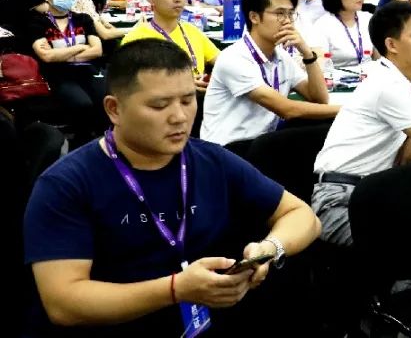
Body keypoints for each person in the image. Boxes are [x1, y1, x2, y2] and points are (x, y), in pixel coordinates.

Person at [23, 39, 321, 337]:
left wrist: (269, 249)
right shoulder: (67, 183)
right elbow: (63, 303)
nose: (179, 117)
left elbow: (302, 215)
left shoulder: (211, 160)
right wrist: (176, 289)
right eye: (159, 105)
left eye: (188, 100)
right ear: (114, 109)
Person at [312, 2, 411, 246]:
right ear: (391, 45)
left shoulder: (406, 77)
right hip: (340, 203)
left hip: (375, 191)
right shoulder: (387, 85)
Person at [200, 0, 340, 149]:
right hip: (229, 149)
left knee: (327, 123)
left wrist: (307, 53)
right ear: (254, 17)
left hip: (262, 140)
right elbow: (287, 109)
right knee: (322, 131)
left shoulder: (281, 56)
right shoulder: (234, 58)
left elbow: (319, 99)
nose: (287, 21)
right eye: (280, 13)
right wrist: (347, 110)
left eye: (290, 14)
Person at [29, 0, 108, 141]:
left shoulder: (83, 19)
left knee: (106, 100)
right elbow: (46, 57)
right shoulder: (37, 22)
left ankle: (105, 142)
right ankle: (81, 142)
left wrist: (61, 54)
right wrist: (80, 47)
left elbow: (97, 50)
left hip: (88, 70)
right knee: (82, 104)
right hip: (58, 74)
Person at [121, 0, 220, 91]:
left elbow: (223, 62)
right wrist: (180, 86)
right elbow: (130, 86)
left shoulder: (192, 30)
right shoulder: (135, 39)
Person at [312, 0, 374, 67]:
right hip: (337, 75)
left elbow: (380, 58)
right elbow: (320, 64)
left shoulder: (368, 19)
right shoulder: (322, 25)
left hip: (369, 73)